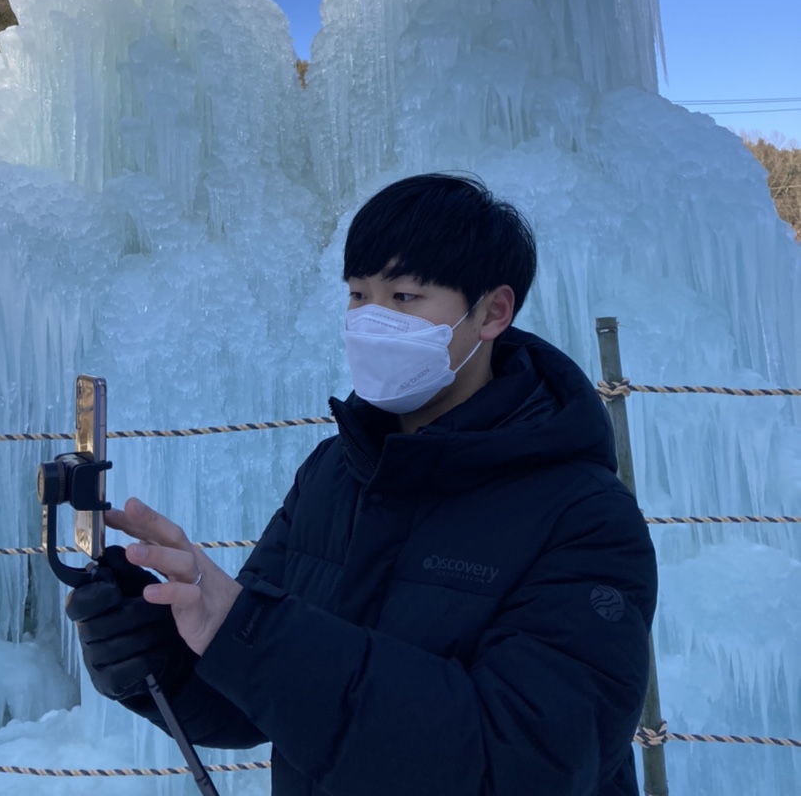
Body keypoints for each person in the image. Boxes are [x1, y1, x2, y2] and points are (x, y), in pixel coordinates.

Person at [67, 172, 657, 796]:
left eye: (404, 297)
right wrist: (156, 652)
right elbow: (259, 699)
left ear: (493, 311)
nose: (372, 320)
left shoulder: (586, 519)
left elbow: (524, 762)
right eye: (357, 295)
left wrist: (249, 633)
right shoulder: (332, 474)